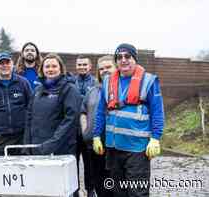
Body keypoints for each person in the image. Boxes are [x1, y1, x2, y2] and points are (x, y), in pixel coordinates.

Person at [93, 43, 164, 197]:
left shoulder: (149, 81)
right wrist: (96, 135)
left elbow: (157, 112)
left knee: (137, 192)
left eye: (127, 56)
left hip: (137, 149)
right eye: (119, 57)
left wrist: (156, 138)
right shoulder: (107, 82)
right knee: (118, 192)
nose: (123, 60)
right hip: (113, 147)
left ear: (135, 59)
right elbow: (100, 111)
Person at [24, 53, 81, 195]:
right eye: (47, 66)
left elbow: (70, 120)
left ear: (61, 68)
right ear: (42, 69)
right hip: (37, 149)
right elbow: (29, 118)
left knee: (63, 189)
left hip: (61, 150)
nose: (50, 69)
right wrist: (27, 145)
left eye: (54, 66)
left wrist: (52, 144)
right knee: (42, 189)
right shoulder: (37, 90)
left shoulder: (69, 89)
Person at [0, 52, 32, 156]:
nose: (5, 66)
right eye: (1, 63)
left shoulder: (23, 83)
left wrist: (31, 134)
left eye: (7, 62)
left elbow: (32, 109)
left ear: (12, 64)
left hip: (22, 137)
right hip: (0, 138)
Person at [80, 55, 116, 197]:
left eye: (108, 67)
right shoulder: (92, 91)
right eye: (101, 69)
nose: (104, 71)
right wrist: (85, 130)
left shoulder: (122, 89)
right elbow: (83, 111)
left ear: (116, 67)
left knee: (115, 186)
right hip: (94, 146)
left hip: (115, 147)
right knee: (100, 185)